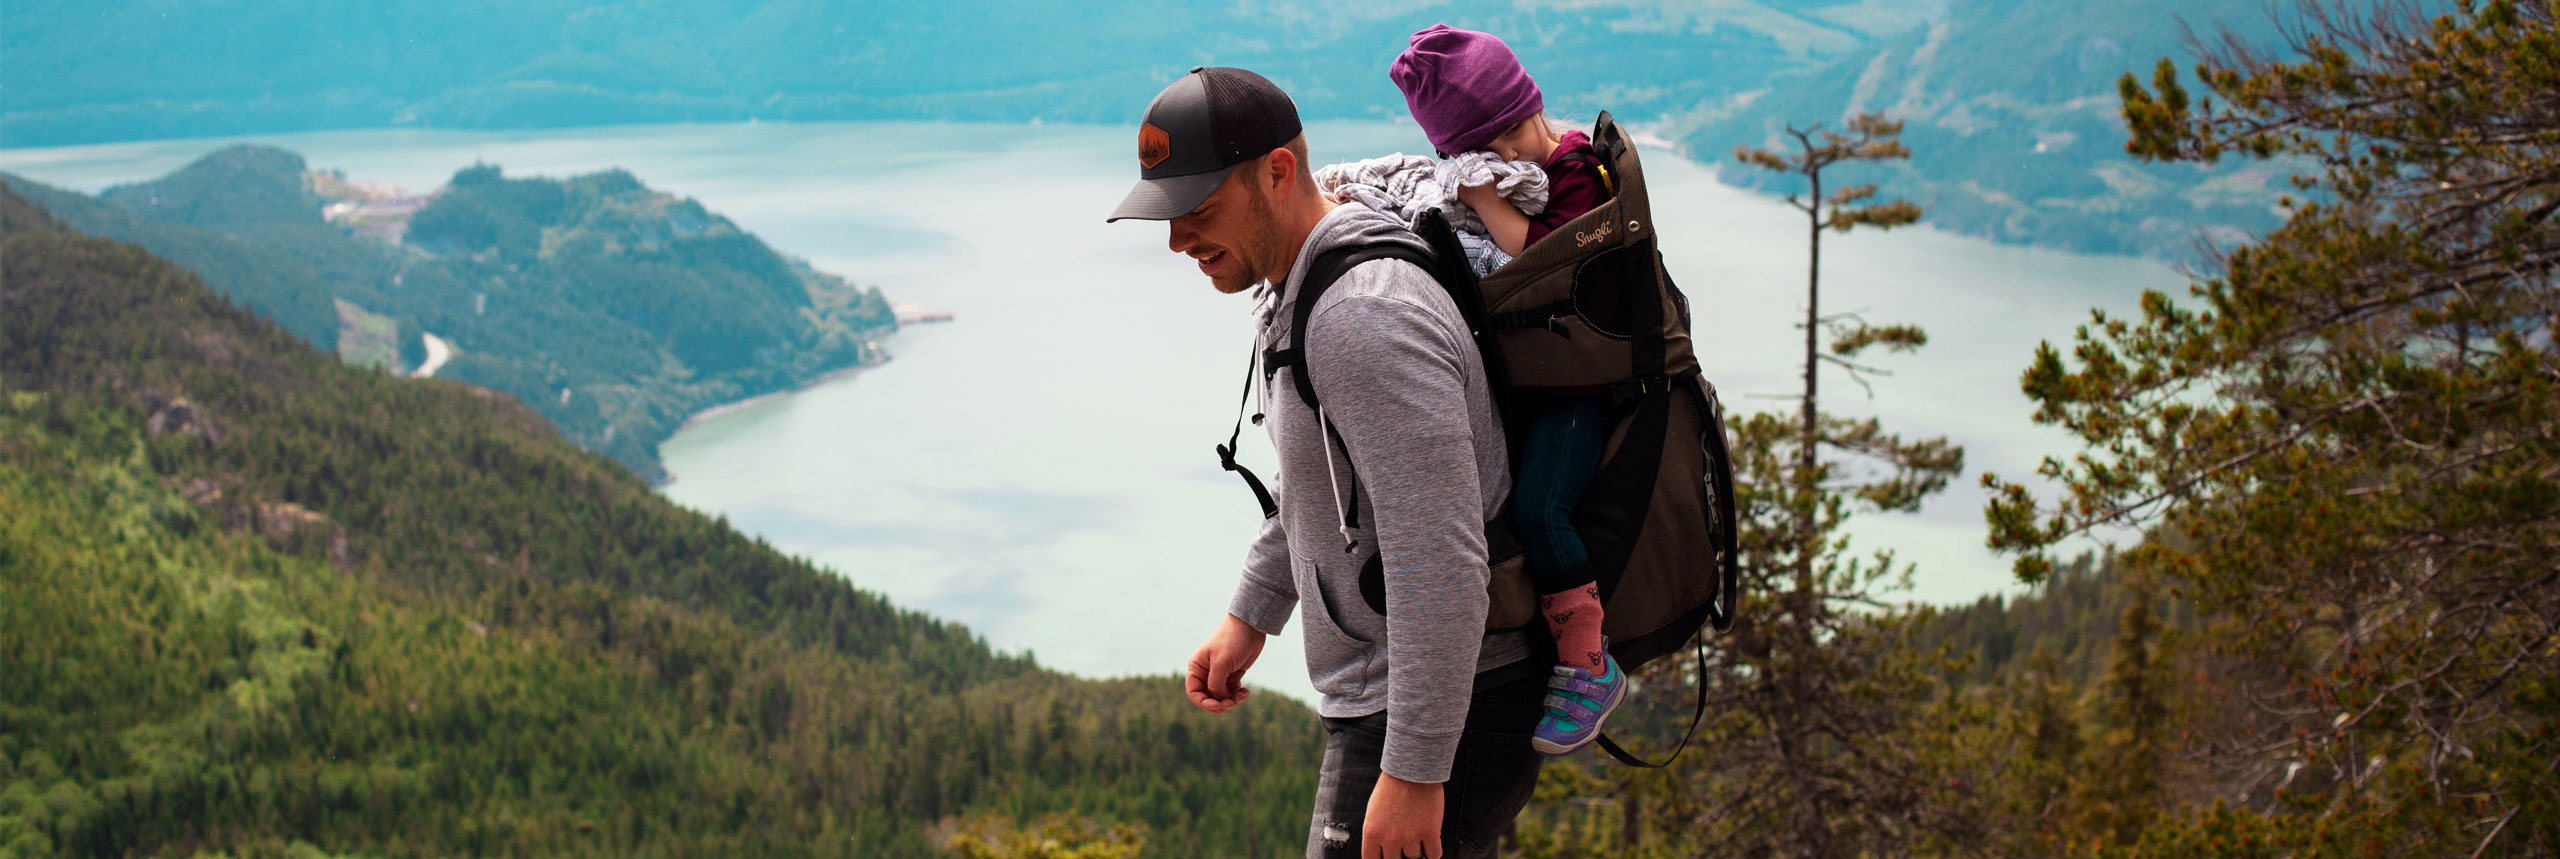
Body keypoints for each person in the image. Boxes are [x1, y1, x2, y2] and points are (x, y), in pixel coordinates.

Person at [1107, 66, 1548, 859]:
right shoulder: (1296, 286)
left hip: (1444, 701)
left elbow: (1439, 557)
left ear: (1277, 172)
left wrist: (1415, 770)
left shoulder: (1360, 316)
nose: (1176, 239)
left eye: (1197, 208)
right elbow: (1328, 481)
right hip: (1415, 692)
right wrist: (1253, 612)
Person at [1390, 24, 1626, 757]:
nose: (1486, 166)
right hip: (1554, 375)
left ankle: (1590, 664)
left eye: (1487, 152)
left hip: (1585, 386)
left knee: (1540, 508)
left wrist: (1485, 197)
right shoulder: (1549, 161)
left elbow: (1539, 256)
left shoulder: (1580, 170)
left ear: (1512, 122)